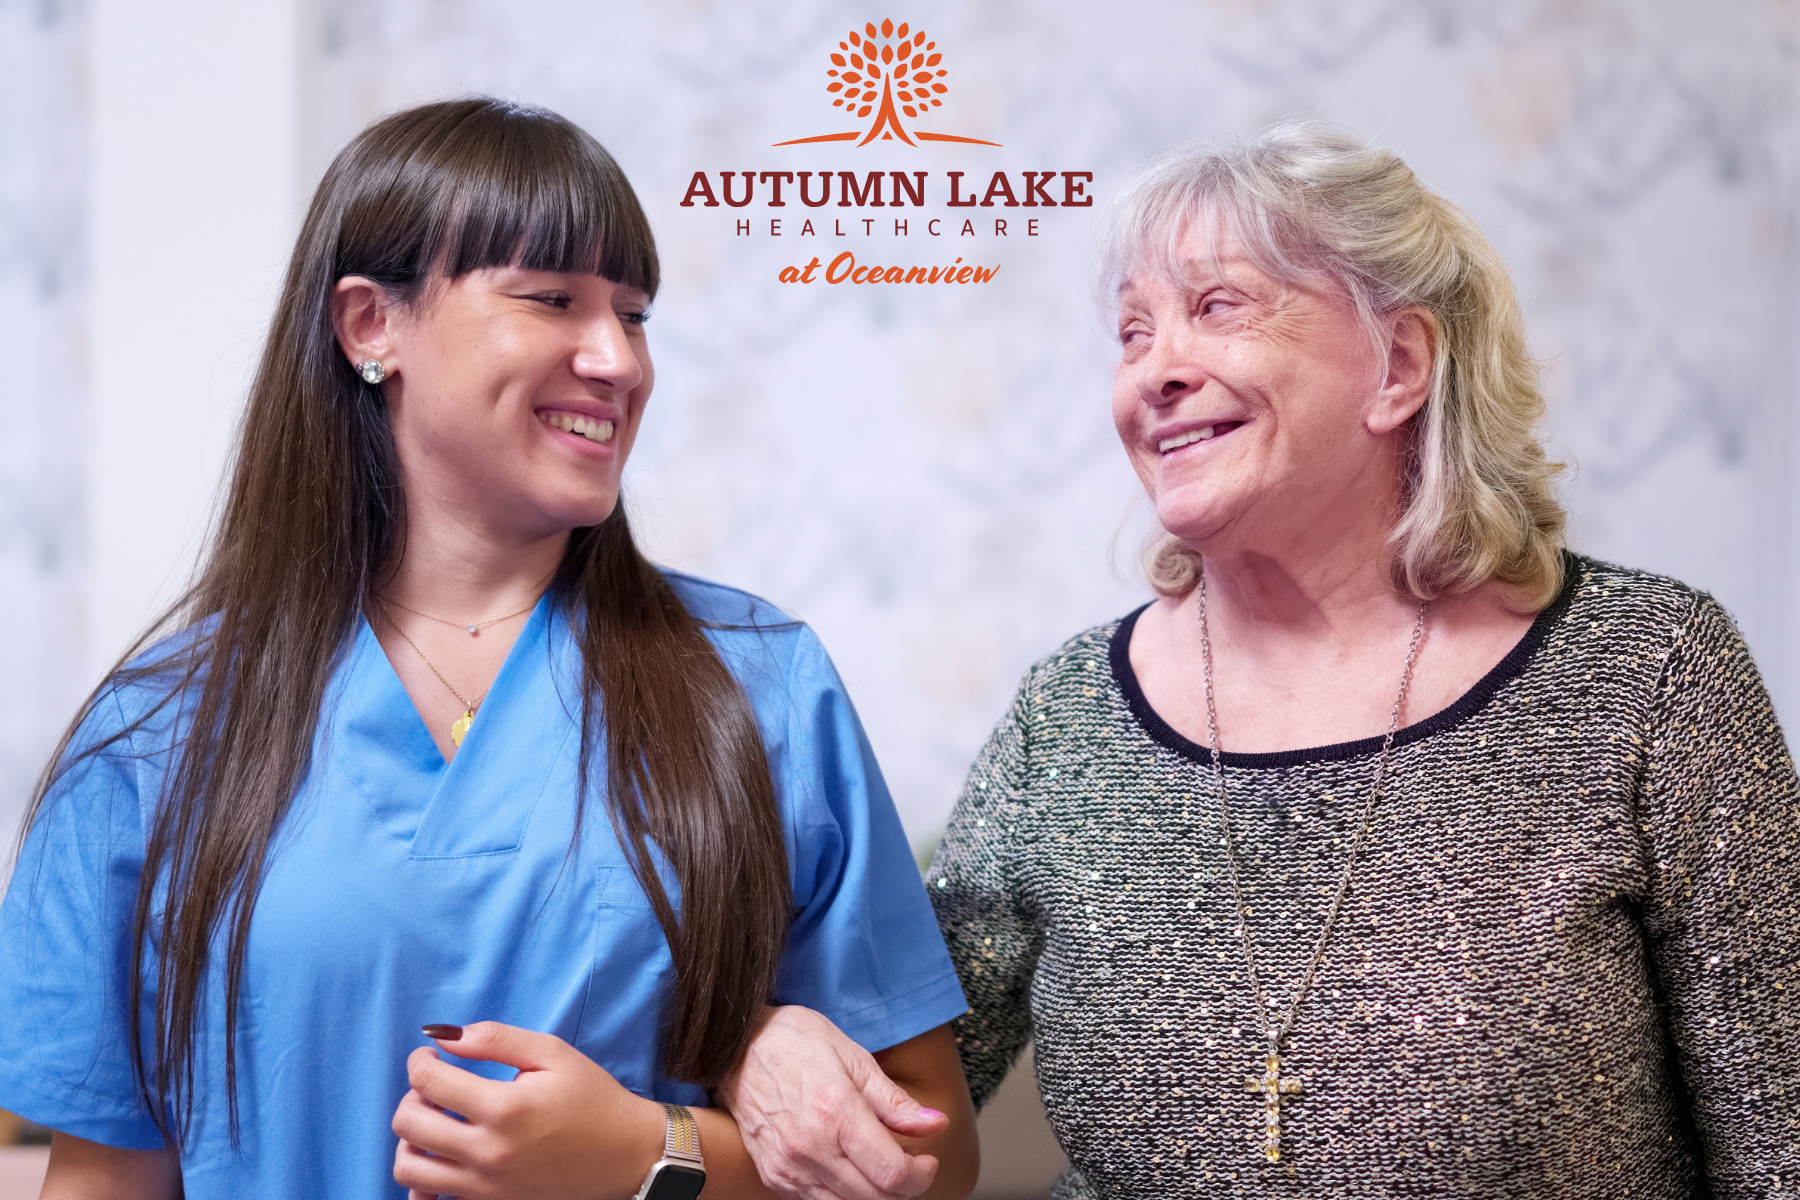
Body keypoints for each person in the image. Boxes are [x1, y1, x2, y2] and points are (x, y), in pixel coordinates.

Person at [713, 122, 1800, 1198]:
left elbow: (1780, 1142)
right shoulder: (1068, 720)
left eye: (1217, 307)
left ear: (1400, 364)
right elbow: (891, 1100)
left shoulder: (1649, 672)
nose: (1155, 374)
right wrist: (754, 1040)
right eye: (1134, 335)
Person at [0, 97, 977, 1200]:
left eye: (636, 313)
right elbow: (106, 1180)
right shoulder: (151, 740)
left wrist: (651, 1153)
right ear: (372, 325)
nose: (617, 360)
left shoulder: (760, 685)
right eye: (553, 299)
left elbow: (928, 1162)